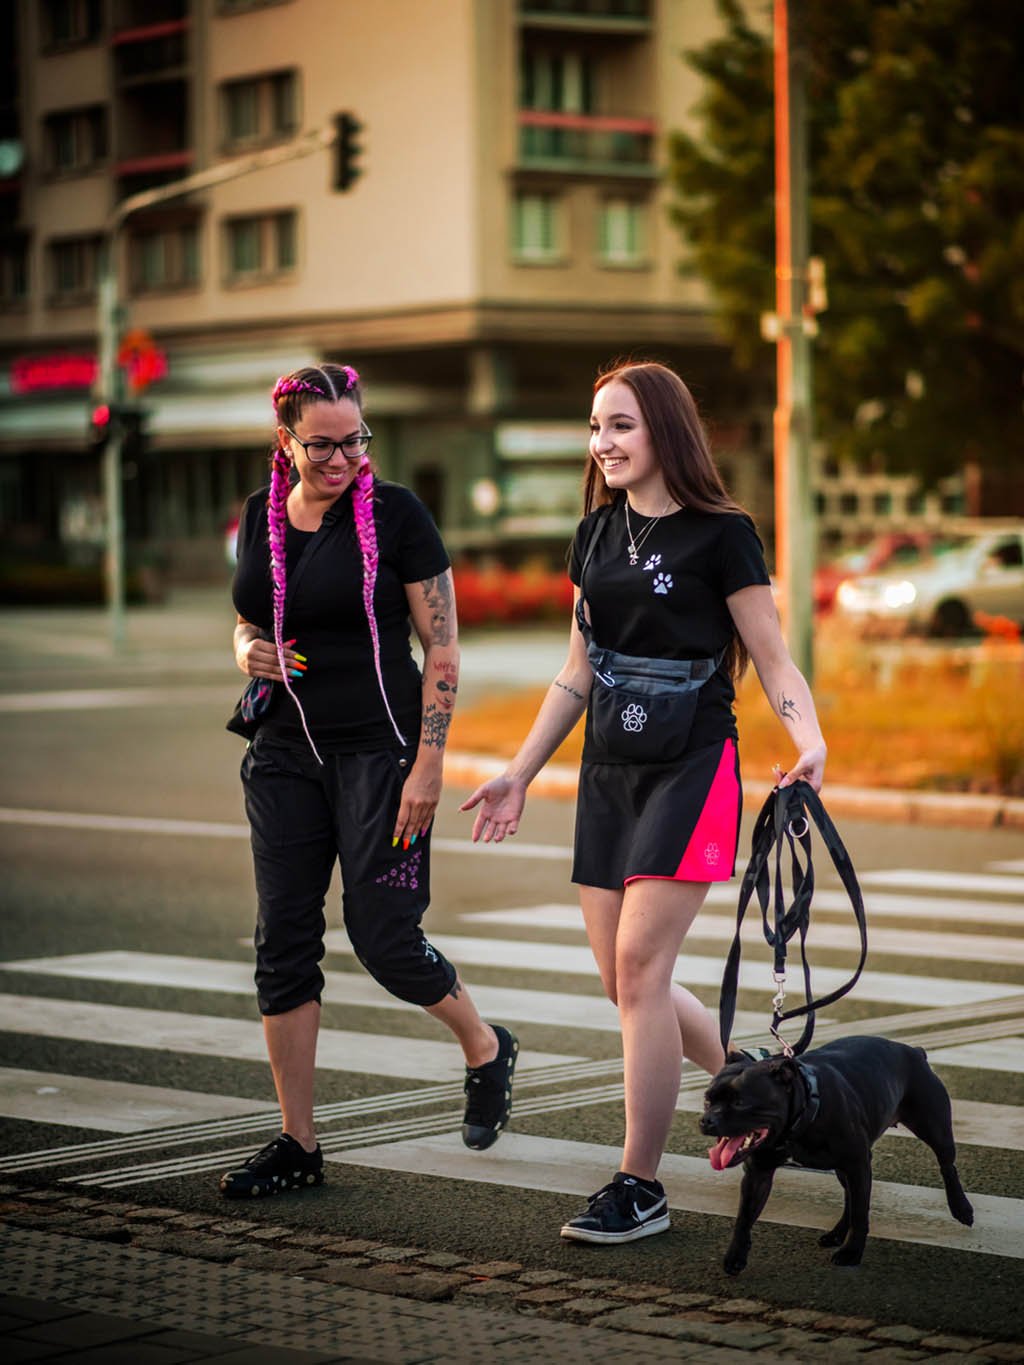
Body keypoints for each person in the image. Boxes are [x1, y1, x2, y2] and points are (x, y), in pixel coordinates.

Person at [461, 360, 826, 1244]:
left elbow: (771, 656)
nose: (604, 442)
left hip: (694, 766)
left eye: (620, 424)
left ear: (663, 429)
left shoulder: (723, 533)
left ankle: (639, 1184)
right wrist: (517, 770)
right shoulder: (594, 534)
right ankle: (750, 1078)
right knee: (629, 984)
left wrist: (807, 738)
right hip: (607, 773)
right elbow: (576, 670)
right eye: (596, 427)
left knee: (640, 972)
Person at [221, 363, 518, 1198]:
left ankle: (484, 1043)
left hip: (382, 756)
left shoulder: (396, 516)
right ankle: (299, 1142)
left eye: (357, 439)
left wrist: (429, 764)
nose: (344, 456)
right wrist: (244, 650)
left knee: (385, 936)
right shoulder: (260, 514)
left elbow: (444, 647)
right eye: (323, 443)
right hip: (282, 752)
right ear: (286, 441)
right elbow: (249, 617)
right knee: (282, 942)